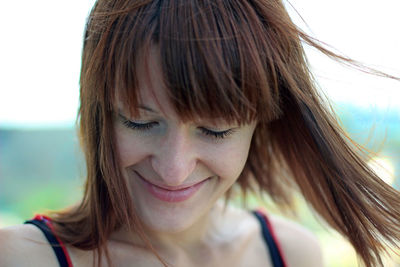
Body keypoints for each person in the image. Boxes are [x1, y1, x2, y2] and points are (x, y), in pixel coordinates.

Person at [1, 0, 399, 266]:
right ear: (98, 115)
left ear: (260, 125)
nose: (174, 169)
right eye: (140, 122)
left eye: (215, 130)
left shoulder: (291, 254)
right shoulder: (22, 257)